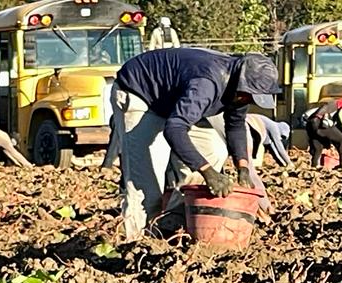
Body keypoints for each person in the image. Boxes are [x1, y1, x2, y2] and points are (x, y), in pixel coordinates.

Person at [110, 48, 281, 241]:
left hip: (174, 101)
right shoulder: (206, 84)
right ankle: (139, 242)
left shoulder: (241, 90)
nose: (247, 101)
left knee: (214, 150)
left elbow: (235, 125)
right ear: (240, 84)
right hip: (140, 93)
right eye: (248, 96)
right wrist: (207, 172)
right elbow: (174, 129)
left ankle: (173, 219)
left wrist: (243, 167)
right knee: (147, 184)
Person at [305, 98, 342, 168]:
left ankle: (315, 165)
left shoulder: (334, 103)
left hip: (310, 123)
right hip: (320, 123)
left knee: (318, 147)